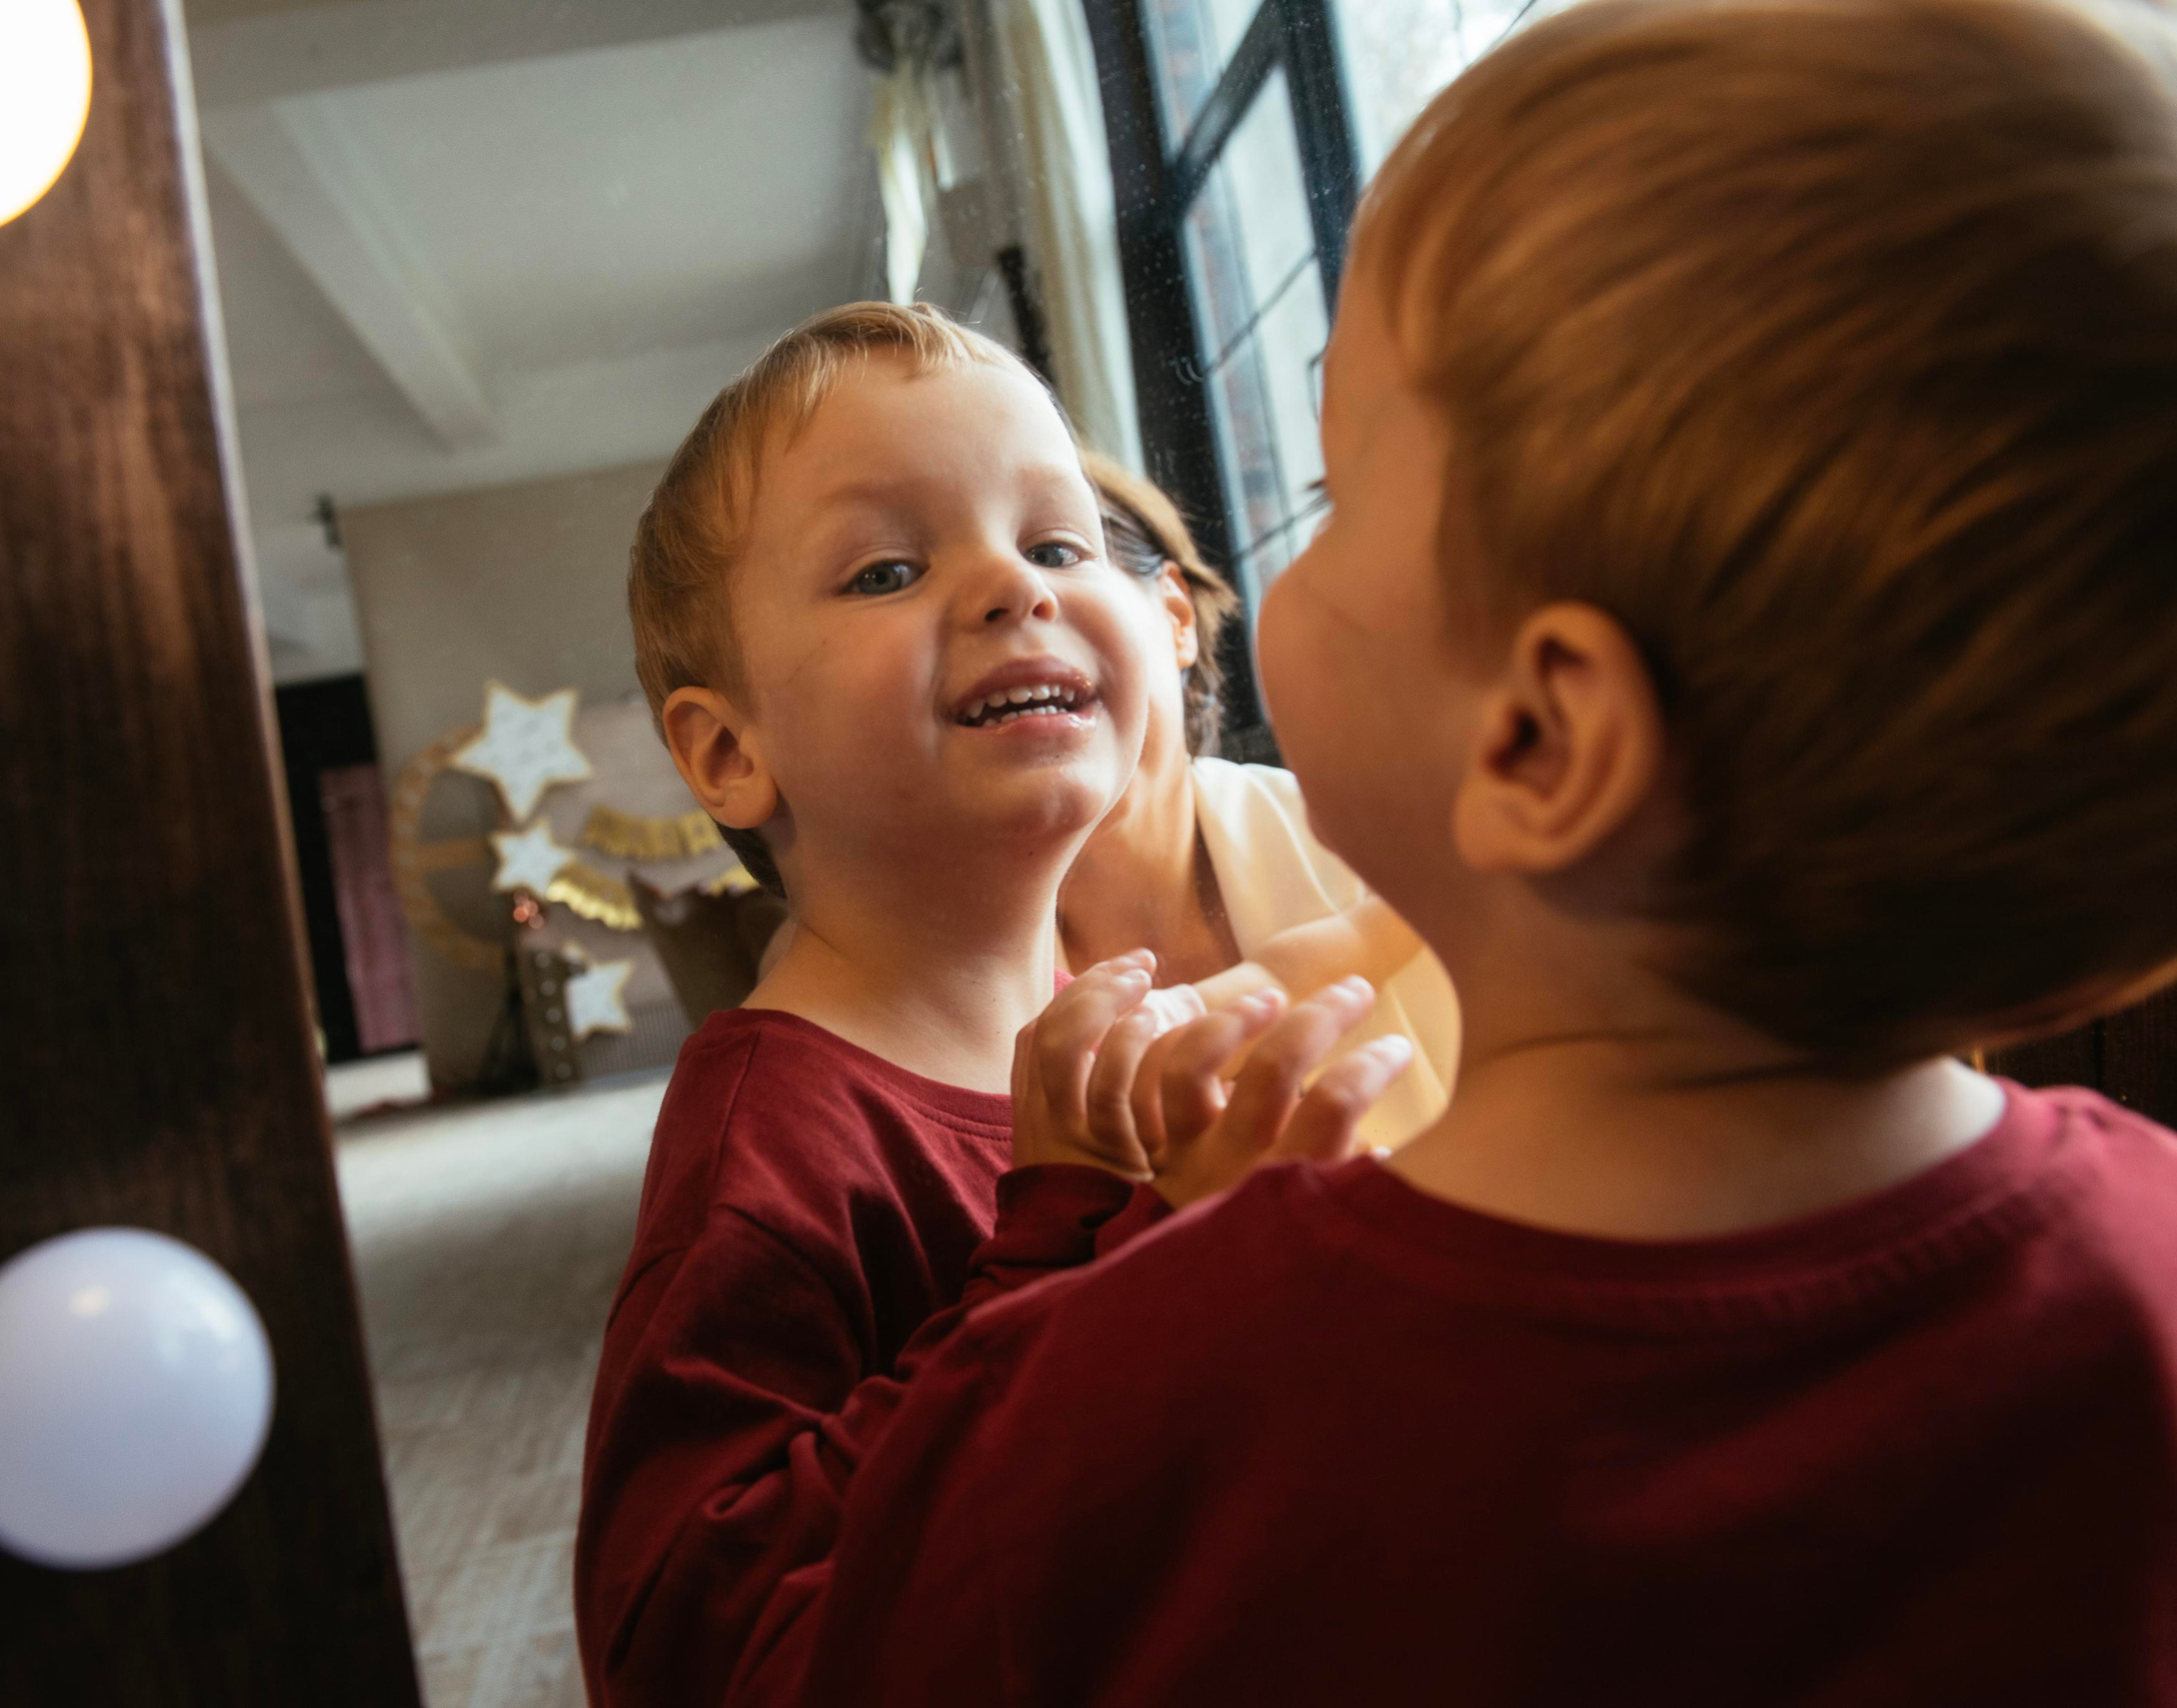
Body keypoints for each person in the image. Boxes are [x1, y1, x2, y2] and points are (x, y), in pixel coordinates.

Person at [695, 0, 2177, 1700]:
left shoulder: (1133, 1386)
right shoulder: (2149, 1281)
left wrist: (1068, 1249)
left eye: (1333, 498)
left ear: (1541, 738)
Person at [576, 304, 1417, 1707]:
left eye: (1056, 542)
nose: (1009, 587)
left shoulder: (1102, 1018)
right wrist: (1073, 1242)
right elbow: (684, 1656)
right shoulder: (772, 1151)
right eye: (888, 567)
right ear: (728, 752)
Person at [1063, 451, 1458, 1147]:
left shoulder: (1392, 844)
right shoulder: (941, 996)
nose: (1008, 598)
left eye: (1056, 552)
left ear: (1177, 614)